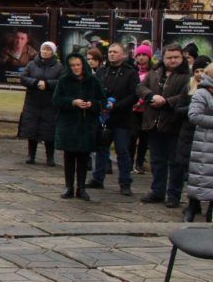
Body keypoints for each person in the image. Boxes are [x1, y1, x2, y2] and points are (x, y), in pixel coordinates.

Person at [136, 43, 192, 208]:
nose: (172, 60)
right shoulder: (155, 72)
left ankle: (174, 195)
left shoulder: (187, 76)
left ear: (182, 58)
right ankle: (157, 191)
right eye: (169, 57)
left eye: (176, 57)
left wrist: (166, 101)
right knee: (157, 160)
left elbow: (188, 95)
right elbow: (140, 87)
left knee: (175, 163)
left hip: (174, 124)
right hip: (153, 123)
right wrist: (151, 96)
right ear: (163, 58)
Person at [53, 52, 105, 201]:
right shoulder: (63, 81)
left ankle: (81, 187)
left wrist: (92, 104)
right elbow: (56, 100)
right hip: (68, 124)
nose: (75, 68)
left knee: (83, 156)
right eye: (72, 65)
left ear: (83, 65)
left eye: (78, 65)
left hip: (87, 124)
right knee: (69, 156)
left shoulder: (93, 81)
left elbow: (102, 100)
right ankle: (68, 186)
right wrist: (72, 102)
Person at [89, 42, 138, 195]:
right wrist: (100, 104)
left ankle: (125, 182)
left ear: (123, 55)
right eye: (110, 51)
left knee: (122, 150)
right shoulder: (102, 71)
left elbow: (134, 95)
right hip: (103, 117)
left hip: (122, 117)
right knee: (101, 148)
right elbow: (94, 89)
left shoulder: (131, 73)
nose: (112, 54)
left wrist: (116, 106)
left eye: (115, 52)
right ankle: (98, 178)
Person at [17, 41, 63, 166]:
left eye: (48, 50)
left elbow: (62, 82)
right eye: (43, 49)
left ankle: (50, 157)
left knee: (49, 131)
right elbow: (23, 78)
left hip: (50, 104)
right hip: (33, 103)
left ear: (53, 52)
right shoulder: (32, 64)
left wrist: (47, 84)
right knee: (32, 130)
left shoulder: (59, 67)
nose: (45, 52)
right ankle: (31, 155)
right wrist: (35, 82)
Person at [182, 64, 213, 222]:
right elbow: (194, 115)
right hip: (205, 143)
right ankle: (192, 209)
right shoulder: (202, 93)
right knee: (201, 178)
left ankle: (210, 214)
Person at [131, 44, 154, 173]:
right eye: (138, 55)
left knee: (144, 138)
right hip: (134, 110)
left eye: (144, 55)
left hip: (147, 109)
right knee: (132, 136)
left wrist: (142, 100)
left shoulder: (153, 72)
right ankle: (129, 162)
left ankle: (139, 163)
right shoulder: (133, 71)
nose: (141, 57)